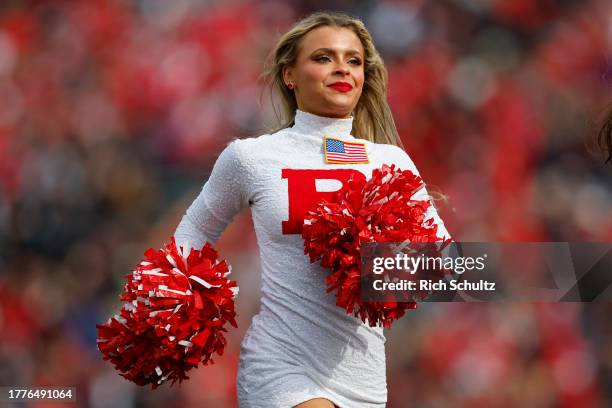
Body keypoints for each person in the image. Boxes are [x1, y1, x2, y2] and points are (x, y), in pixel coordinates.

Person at [174, 10, 451, 408]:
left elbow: (445, 263)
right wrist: (181, 300)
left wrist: (377, 263)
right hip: (279, 364)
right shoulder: (251, 157)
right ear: (290, 75)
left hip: (363, 377)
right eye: (323, 57)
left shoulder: (390, 161)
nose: (341, 68)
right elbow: (195, 229)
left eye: (353, 60)